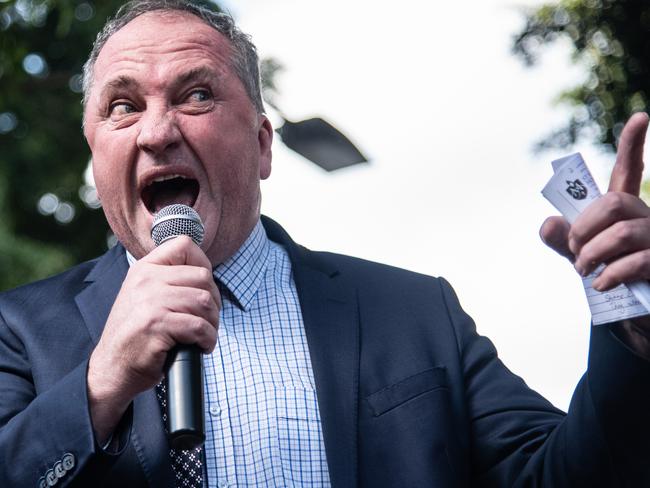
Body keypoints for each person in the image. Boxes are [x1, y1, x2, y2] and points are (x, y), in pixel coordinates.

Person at [1, 1, 650, 486]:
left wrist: (630, 318)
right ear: (96, 153)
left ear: (261, 145)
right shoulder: (21, 330)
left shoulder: (415, 315)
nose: (157, 131)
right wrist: (100, 384)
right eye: (123, 106)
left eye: (196, 94)